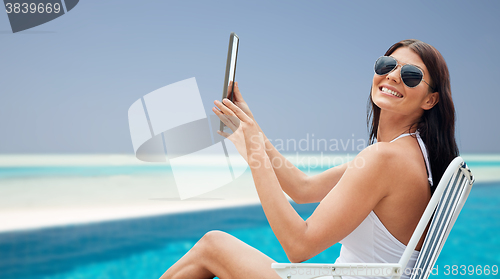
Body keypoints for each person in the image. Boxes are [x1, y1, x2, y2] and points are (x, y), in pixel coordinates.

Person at [159, 39, 459, 279]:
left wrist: (255, 157)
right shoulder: (409, 153)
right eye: (387, 64)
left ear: (430, 99)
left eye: (411, 75)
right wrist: (255, 133)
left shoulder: (386, 158)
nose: (393, 75)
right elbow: (303, 189)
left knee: (213, 246)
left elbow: (298, 246)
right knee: (214, 245)